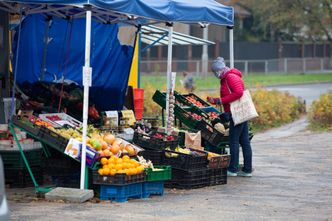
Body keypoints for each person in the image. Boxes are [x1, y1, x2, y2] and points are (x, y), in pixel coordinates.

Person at [207, 57, 253, 177]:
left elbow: (239, 93)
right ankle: (247, 170)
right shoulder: (228, 77)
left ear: (219, 70)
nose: (215, 74)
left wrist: (220, 100)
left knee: (233, 141)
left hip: (236, 113)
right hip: (240, 112)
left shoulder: (230, 77)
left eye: (215, 72)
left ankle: (233, 169)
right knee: (244, 141)